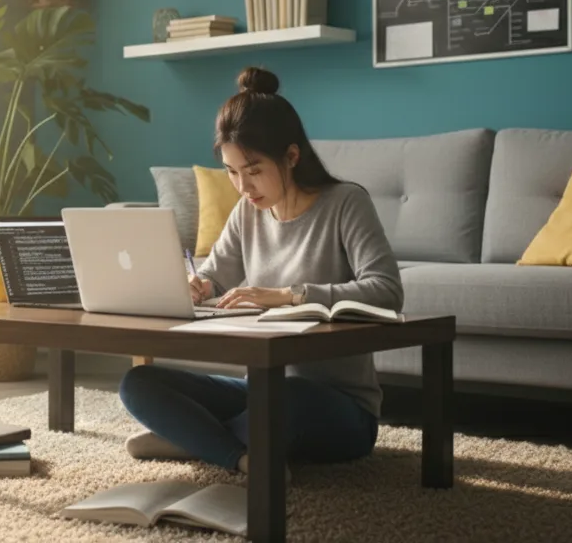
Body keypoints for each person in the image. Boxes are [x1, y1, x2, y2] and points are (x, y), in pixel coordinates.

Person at [118, 66, 404, 474]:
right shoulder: (248, 212)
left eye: (253, 171)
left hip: (340, 411)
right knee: (139, 383)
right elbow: (214, 274)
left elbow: (387, 289)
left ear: (291, 156)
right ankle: (239, 453)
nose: (243, 187)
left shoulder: (345, 203)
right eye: (232, 172)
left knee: (288, 398)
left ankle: (197, 440)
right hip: (262, 393)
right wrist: (197, 285)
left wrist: (292, 295)